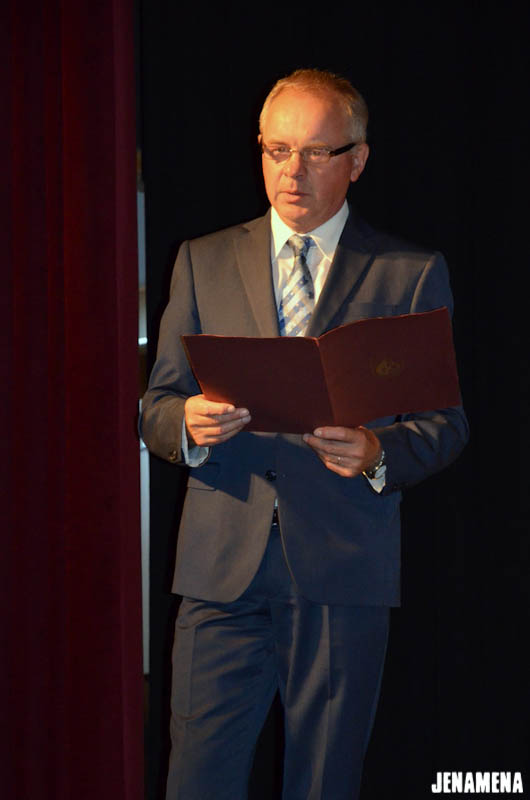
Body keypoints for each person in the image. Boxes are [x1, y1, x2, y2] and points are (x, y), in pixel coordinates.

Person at [140, 68, 468, 800]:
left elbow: (445, 426)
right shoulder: (202, 259)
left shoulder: (408, 274)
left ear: (357, 159)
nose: (293, 171)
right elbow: (156, 405)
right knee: (196, 780)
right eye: (277, 149)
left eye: (317, 152)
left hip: (342, 569)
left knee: (324, 782)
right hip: (220, 572)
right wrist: (186, 424)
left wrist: (379, 453)